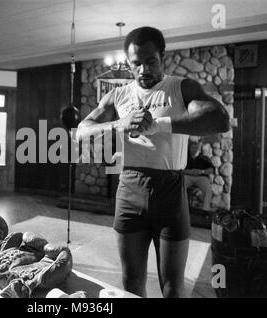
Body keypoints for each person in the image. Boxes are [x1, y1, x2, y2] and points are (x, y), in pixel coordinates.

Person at [76, 26, 229, 297]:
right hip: (129, 188)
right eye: (136, 64)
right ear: (128, 63)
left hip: (169, 189)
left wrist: (159, 124)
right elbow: (82, 131)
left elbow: (219, 119)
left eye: (151, 61)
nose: (144, 70)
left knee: (172, 286)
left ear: (162, 57)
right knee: (132, 283)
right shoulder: (117, 95)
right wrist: (120, 124)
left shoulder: (180, 88)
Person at [183, 142, 215, 211]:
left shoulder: (204, 158)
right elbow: (179, 170)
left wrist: (202, 171)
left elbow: (211, 169)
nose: (194, 149)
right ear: (189, 148)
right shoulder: (184, 157)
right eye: (192, 147)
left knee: (208, 188)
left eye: (196, 148)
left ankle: (205, 210)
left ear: (199, 149)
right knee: (180, 185)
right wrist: (189, 172)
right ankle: (182, 209)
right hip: (188, 176)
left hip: (201, 177)